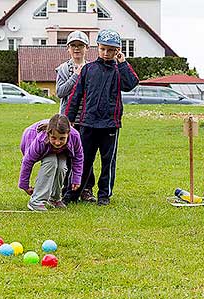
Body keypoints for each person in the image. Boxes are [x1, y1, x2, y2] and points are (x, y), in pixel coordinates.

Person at [65, 29, 139, 206]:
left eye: (111, 50)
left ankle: (104, 195)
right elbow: (75, 95)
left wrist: (122, 63)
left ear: (117, 51)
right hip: (88, 123)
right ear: (97, 47)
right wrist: (68, 119)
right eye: (103, 49)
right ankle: (73, 193)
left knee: (108, 162)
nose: (106, 53)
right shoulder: (88, 69)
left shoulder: (119, 71)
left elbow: (131, 84)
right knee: (83, 160)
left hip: (110, 125)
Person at [55, 30, 96, 204]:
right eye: (73, 46)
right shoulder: (63, 69)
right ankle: (67, 188)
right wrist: (75, 76)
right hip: (69, 120)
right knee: (68, 154)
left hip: (87, 118)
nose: (77, 49)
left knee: (87, 155)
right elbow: (60, 92)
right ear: (68, 49)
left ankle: (86, 189)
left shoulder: (93, 68)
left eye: (80, 45)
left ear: (87, 48)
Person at [18, 114, 83, 211]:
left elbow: (78, 157)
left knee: (61, 166)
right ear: (48, 134)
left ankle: (54, 198)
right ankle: (36, 201)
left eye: (62, 138)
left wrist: (76, 179)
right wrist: (25, 185)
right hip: (31, 139)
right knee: (51, 161)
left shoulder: (75, 136)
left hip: (61, 150)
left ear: (68, 134)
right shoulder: (40, 139)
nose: (57, 142)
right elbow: (27, 162)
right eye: (54, 138)